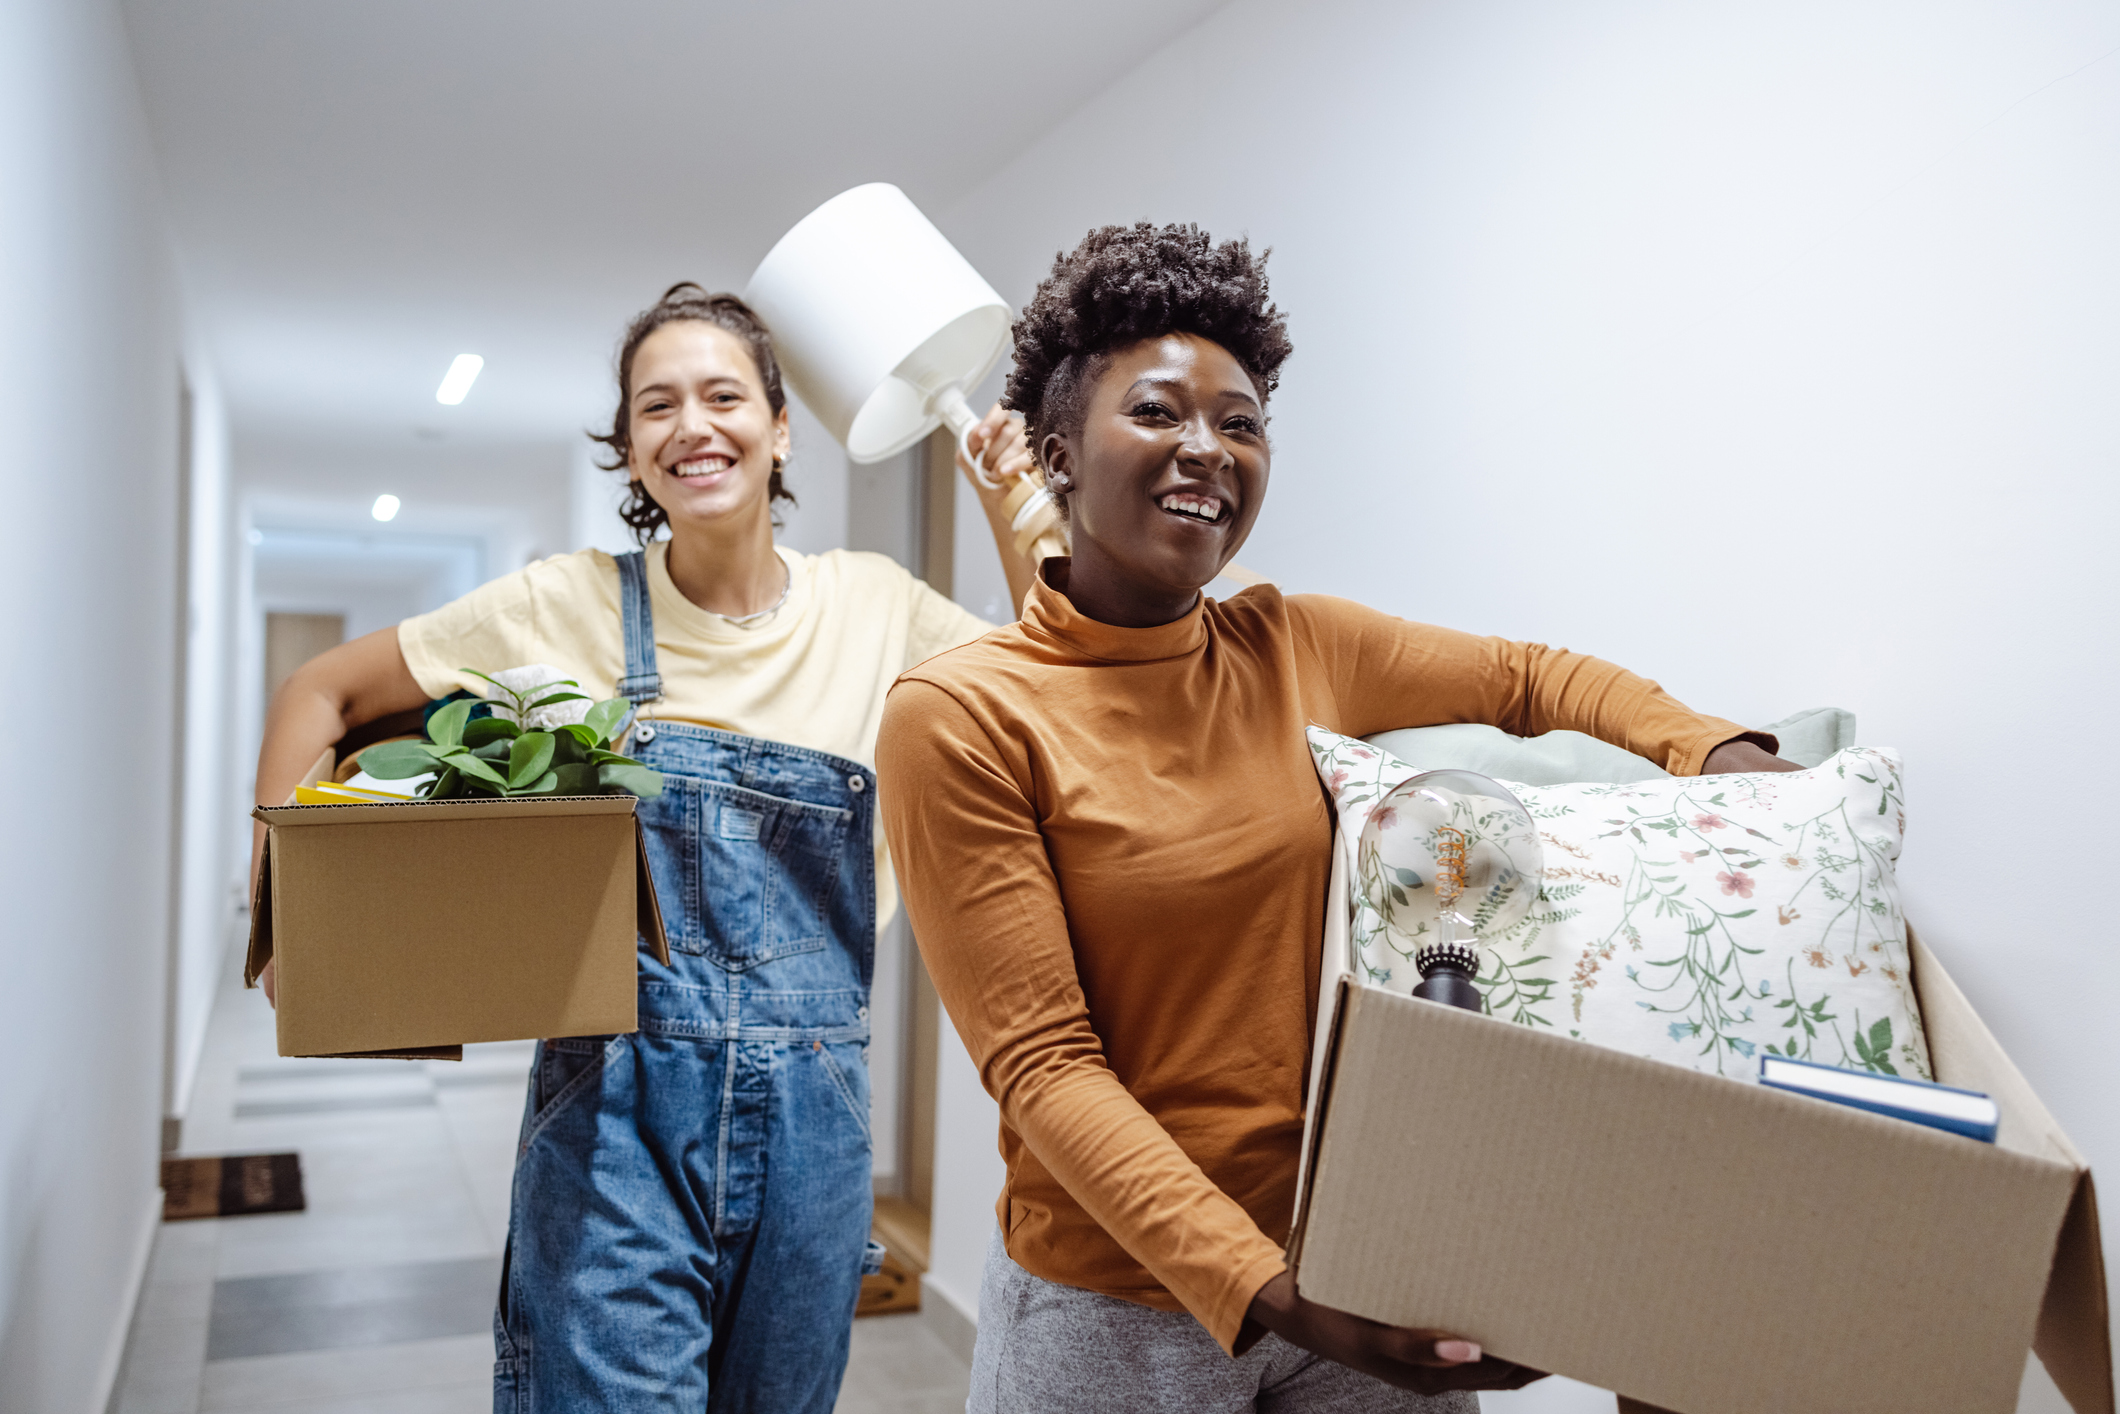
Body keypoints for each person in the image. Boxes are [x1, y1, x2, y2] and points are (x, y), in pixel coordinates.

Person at [875, 225, 1802, 1414]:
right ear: (1054, 450)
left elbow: (1526, 676)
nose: (1206, 448)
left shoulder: (1292, 645)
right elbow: (1045, 1069)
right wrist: (1274, 1292)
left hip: (1362, 1255)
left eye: (1242, 421)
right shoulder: (961, 712)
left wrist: (1715, 751)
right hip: (1115, 1310)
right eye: (1157, 412)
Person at [250, 283, 1038, 1412]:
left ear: (778, 428)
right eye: (654, 406)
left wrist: (1012, 512)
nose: (691, 426)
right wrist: (287, 892)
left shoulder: (876, 607)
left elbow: (1049, 698)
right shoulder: (560, 603)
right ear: (628, 450)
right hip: (615, 1109)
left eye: (722, 395)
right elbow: (319, 690)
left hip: (819, 1123)